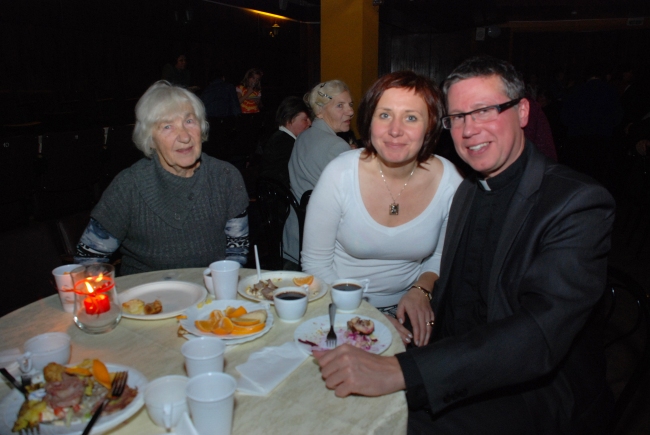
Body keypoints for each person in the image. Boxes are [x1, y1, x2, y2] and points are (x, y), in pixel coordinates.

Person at [314, 56, 615, 434]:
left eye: (485, 110)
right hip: (453, 358)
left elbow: (538, 335)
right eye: (457, 117)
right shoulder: (469, 188)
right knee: (327, 400)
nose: (469, 129)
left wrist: (402, 370)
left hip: (535, 390)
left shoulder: (576, 201)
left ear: (522, 112)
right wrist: (410, 311)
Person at [301, 71, 463, 347]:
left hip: (411, 305)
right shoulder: (340, 173)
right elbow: (315, 265)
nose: (395, 130)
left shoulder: (449, 180)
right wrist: (364, 313)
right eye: (385, 115)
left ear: (431, 126)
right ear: (369, 121)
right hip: (337, 302)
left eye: (411, 118)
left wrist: (421, 289)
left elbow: (442, 255)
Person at [75, 80, 250, 275]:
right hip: (144, 293)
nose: (184, 137)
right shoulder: (129, 186)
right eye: (167, 126)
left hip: (210, 291)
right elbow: (88, 261)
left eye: (189, 121)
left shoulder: (226, 177)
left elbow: (237, 253)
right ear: (150, 139)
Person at [282, 80, 354, 268]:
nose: (350, 111)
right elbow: (354, 203)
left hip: (294, 236)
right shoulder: (336, 146)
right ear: (320, 111)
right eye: (340, 105)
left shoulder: (303, 135)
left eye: (350, 104)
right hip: (323, 246)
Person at [260, 96, 312, 187]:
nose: (309, 123)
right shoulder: (282, 143)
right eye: (305, 119)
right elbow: (284, 178)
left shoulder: (280, 138)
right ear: (289, 120)